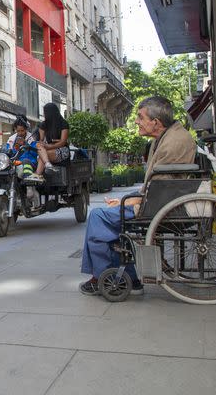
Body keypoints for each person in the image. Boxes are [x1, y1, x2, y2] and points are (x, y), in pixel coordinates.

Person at [79, 96, 196, 296]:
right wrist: (132, 198)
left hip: (160, 204)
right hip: (157, 197)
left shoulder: (172, 143)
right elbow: (157, 184)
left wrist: (133, 200)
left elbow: (161, 187)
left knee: (97, 217)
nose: (136, 122)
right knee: (108, 215)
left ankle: (103, 276)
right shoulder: (165, 137)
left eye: (141, 117)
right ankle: (127, 276)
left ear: (155, 122)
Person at [28, 103, 70, 182]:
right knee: (39, 146)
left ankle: (38, 174)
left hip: (62, 150)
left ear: (50, 113)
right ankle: (47, 165)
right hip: (47, 149)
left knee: (42, 155)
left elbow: (63, 142)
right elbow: (41, 140)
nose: (43, 114)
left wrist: (48, 146)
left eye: (44, 112)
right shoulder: (44, 124)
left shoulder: (63, 124)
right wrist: (42, 143)